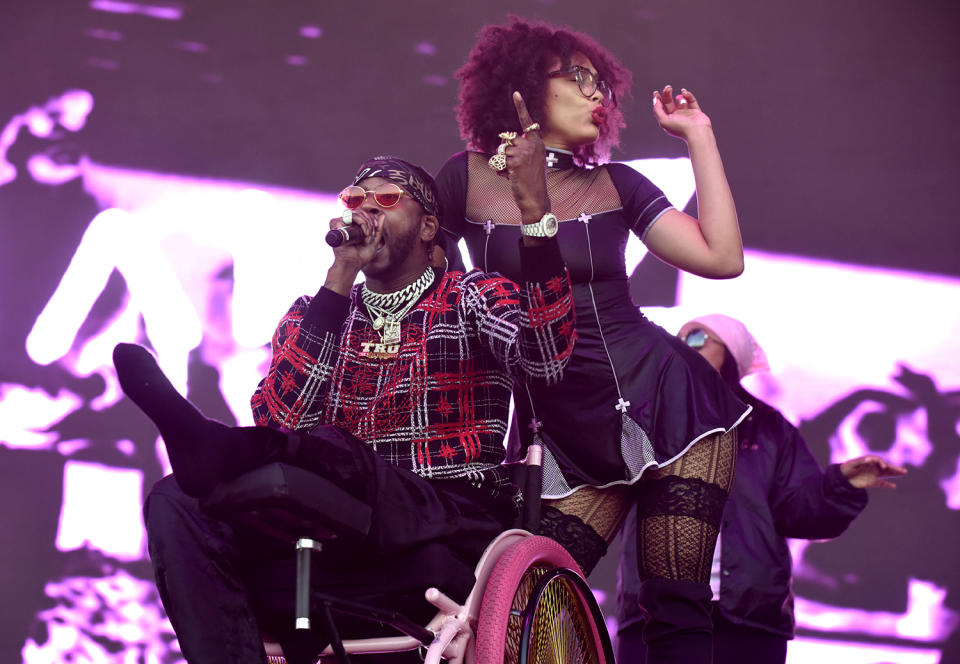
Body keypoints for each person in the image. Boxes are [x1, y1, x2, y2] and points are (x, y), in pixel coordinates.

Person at [114, 155, 576, 664]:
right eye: (355, 201)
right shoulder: (315, 314)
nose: (365, 212)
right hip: (335, 532)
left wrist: (535, 217)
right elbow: (279, 418)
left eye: (386, 200)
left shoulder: (471, 296)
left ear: (427, 227)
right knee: (174, 499)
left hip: (445, 516)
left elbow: (546, 357)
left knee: (335, 449)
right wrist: (338, 279)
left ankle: (216, 443)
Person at [434, 17, 749, 663]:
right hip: (563, 433)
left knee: (674, 606)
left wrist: (700, 136)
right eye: (577, 77)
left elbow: (722, 258)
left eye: (602, 83)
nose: (596, 94)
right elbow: (428, 292)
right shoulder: (463, 180)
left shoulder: (619, 186)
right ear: (521, 82)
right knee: (522, 611)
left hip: (671, 408)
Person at [616, 314, 908, 664]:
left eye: (695, 338)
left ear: (731, 356)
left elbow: (799, 515)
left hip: (747, 620)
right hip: (654, 612)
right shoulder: (642, 421)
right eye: (676, 339)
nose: (681, 346)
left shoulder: (771, 429)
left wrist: (842, 484)